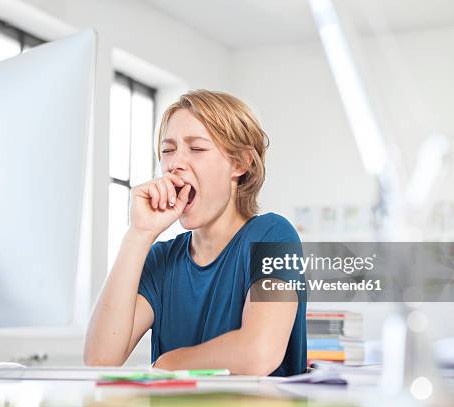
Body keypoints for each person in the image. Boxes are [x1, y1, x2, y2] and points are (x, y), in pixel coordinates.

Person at [84, 90, 306, 376]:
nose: (175, 163)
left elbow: (259, 353)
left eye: (197, 149)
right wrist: (138, 234)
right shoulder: (160, 259)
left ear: (240, 163)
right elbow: (100, 359)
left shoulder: (274, 237)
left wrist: (166, 364)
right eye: (167, 150)